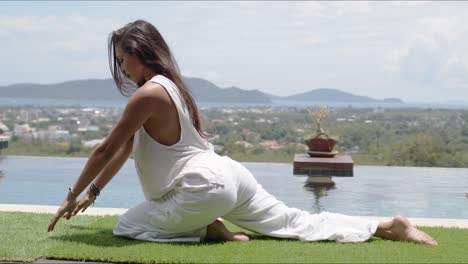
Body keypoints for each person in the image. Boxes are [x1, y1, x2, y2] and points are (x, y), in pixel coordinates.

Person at [48, 19, 437, 246]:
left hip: (201, 189)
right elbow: (123, 151)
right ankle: (388, 227)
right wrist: (94, 191)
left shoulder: (147, 94)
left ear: (139, 51)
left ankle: (208, 228)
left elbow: (104, 149)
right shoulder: (172, 86)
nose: (122, 68)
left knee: (126, 225)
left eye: (123, 59)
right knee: (295, 221)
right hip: (228, 175)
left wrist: (71, 195)